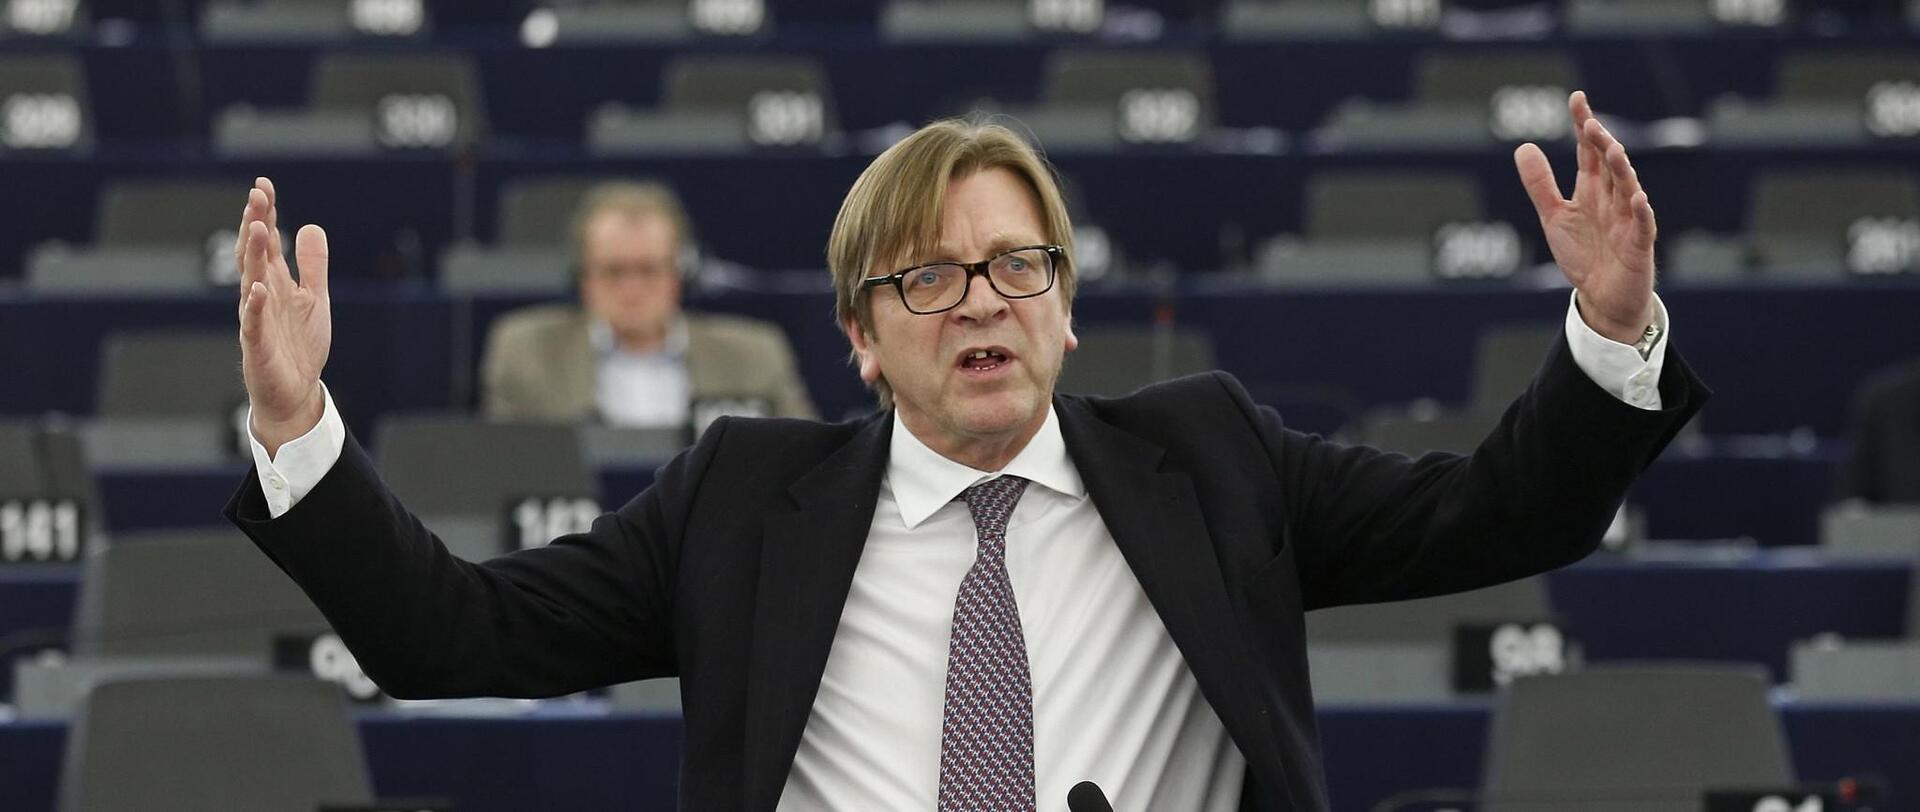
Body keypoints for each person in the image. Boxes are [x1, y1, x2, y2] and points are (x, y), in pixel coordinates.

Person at [228, 92, 1705, 811]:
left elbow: (1507, 517)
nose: (982, 302)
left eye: (1017, 267)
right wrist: (298, 423)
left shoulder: (1211, 460)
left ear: (1066, 306)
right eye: (929, 276)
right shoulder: (743, 499)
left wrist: (1609, 322)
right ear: (862, 336)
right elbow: (452, 634)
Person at [481, 180, 816, 427]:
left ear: (679, 273)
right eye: (613, 271)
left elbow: (809, 465)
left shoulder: (753, 357)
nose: (632, 288)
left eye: (648, 270)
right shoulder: (527, 354)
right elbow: (508, 464)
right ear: (583, 277)